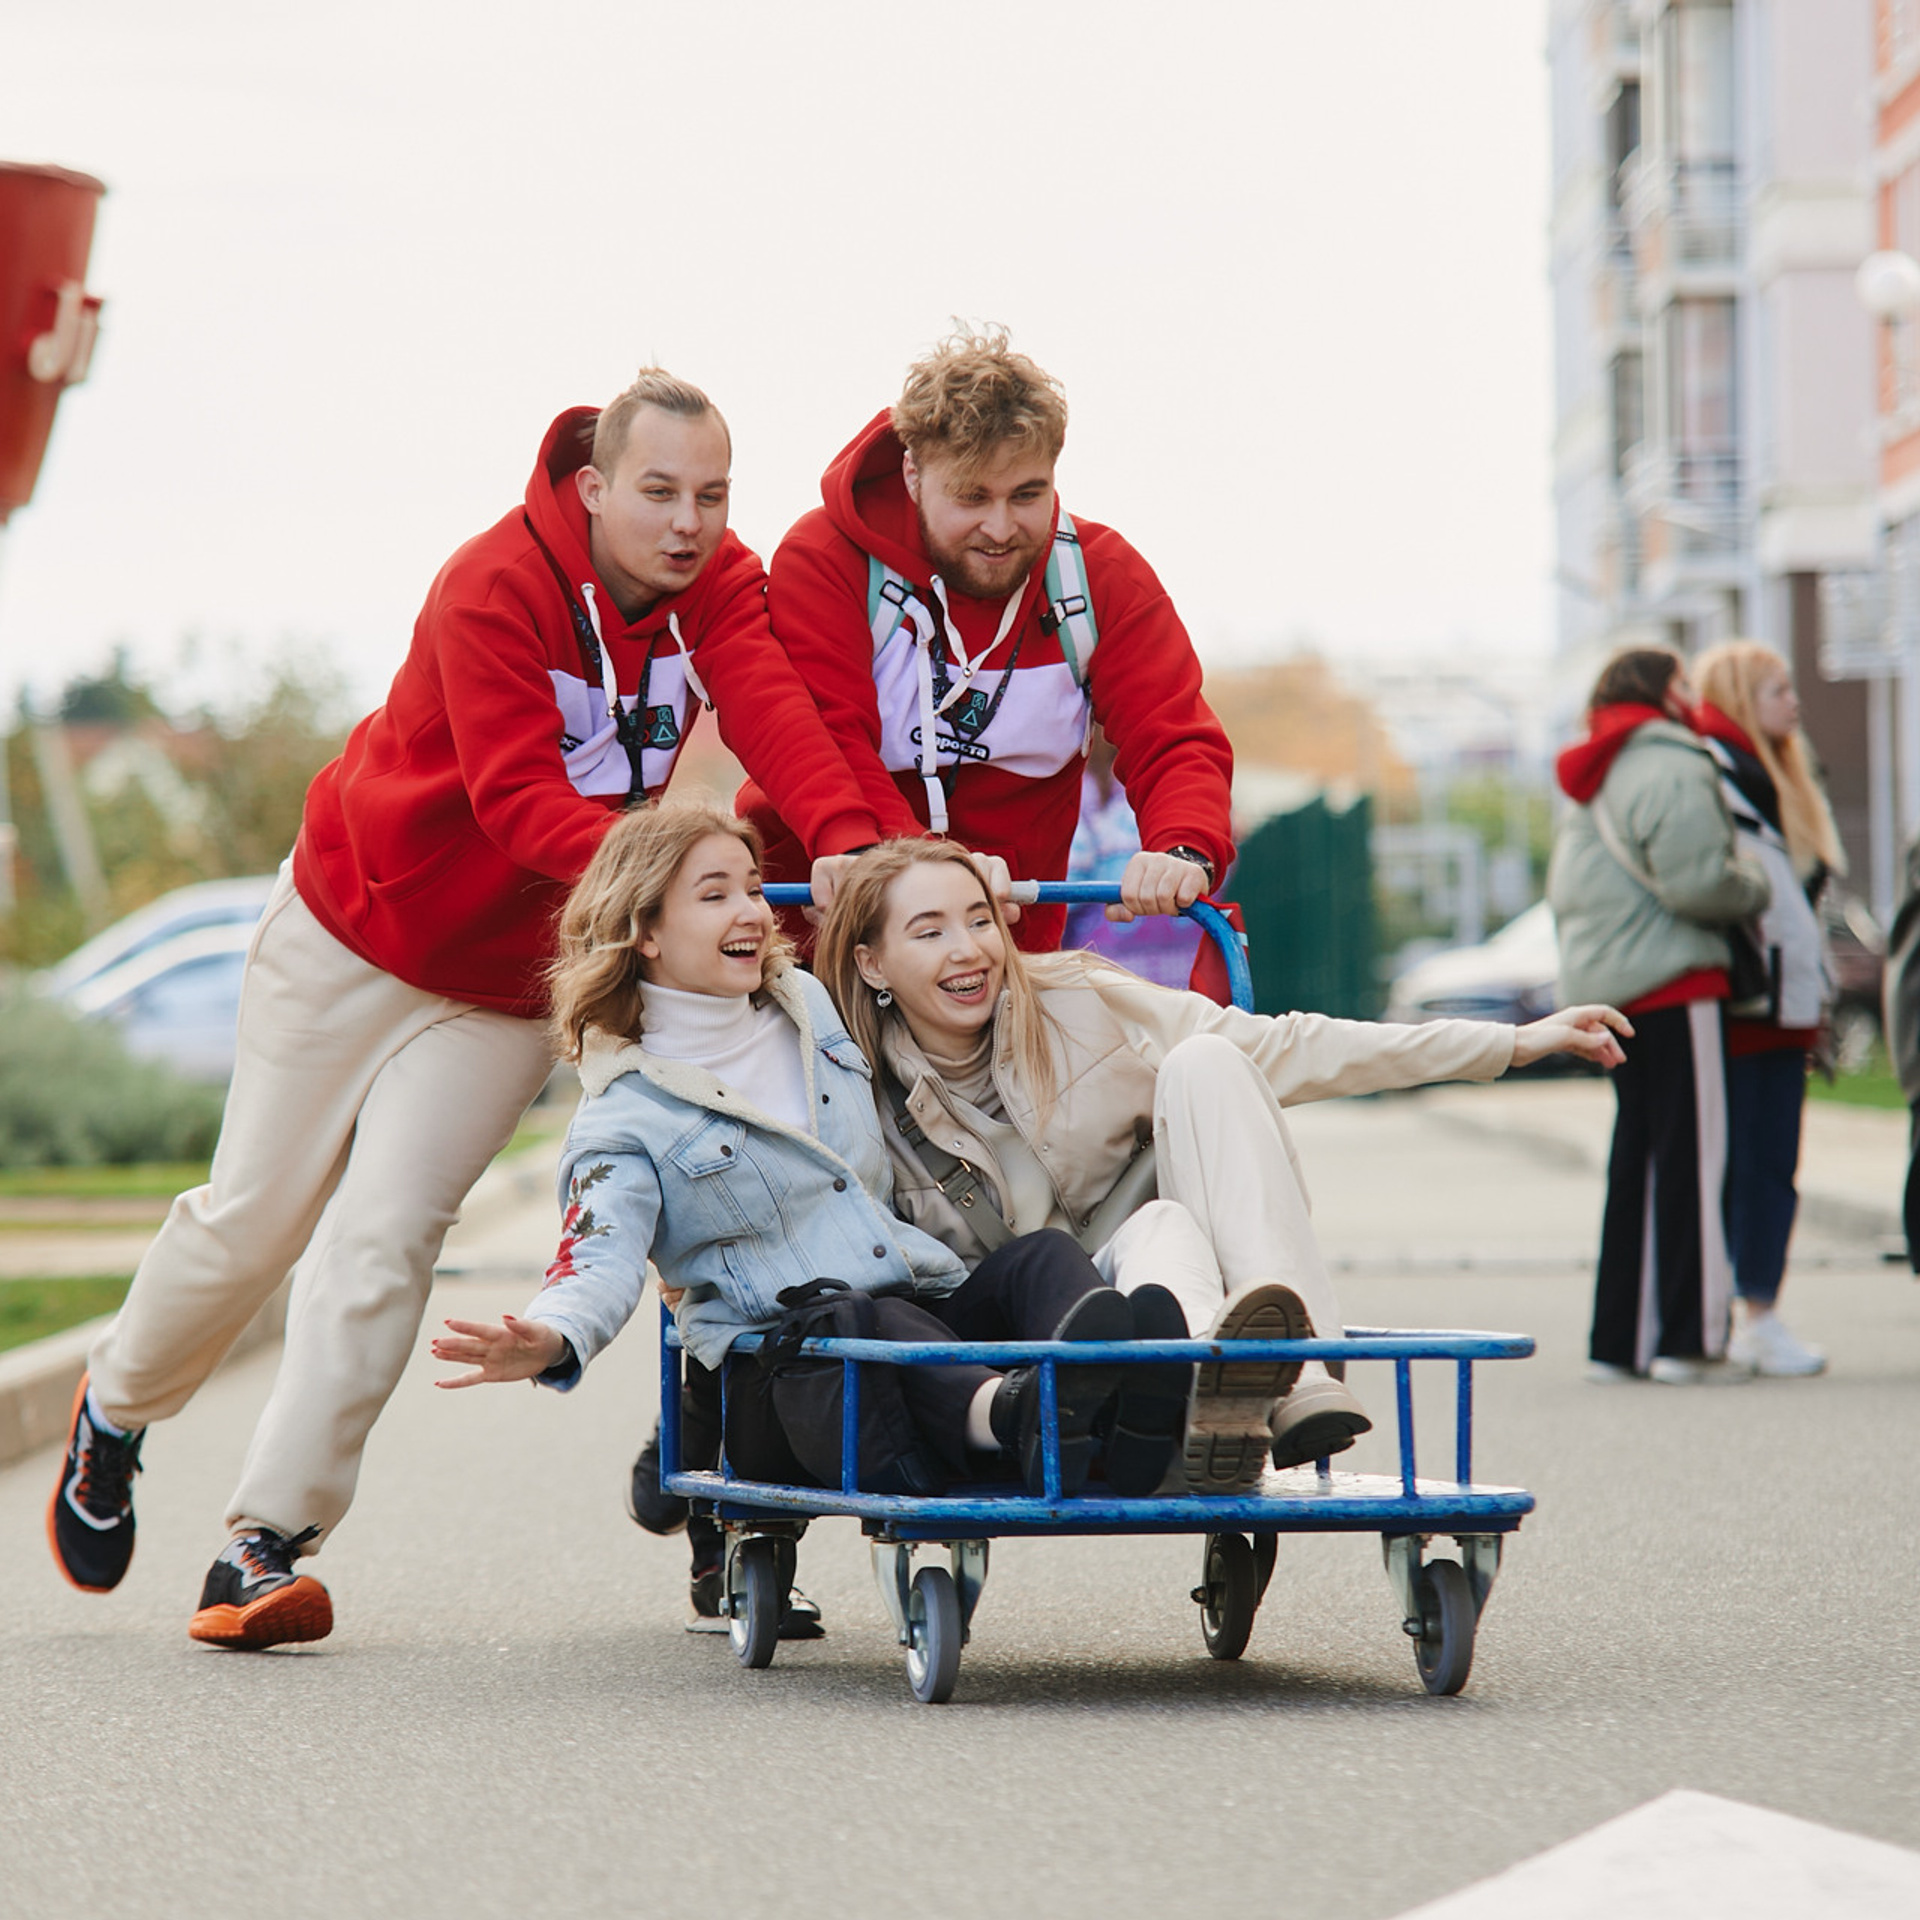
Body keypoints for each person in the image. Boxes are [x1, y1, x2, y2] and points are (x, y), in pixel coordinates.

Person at [47, 370, 888, 1651]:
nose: (689, 522)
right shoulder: (493, 584)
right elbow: (513, 799)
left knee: (384, 1237)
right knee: (253, 1221)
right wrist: (665, 875)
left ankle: (262, 1544)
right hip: (351, 928)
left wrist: (850, 840)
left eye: (713, 495)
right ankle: (114, 1408)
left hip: (503, 987)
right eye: (659, 492)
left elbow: (776, 713)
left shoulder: (719, 587)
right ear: (594, 487)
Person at [431, 800, 1259, 1520]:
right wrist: (555, 1336)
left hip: (919, 1312)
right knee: (854, 1314)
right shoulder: (625, 1114)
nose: (751, 911)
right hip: (794, 1373)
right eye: (715, 895)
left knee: (1037, 1258)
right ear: (643, 930)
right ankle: (1021, 1417)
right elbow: (596, 1255)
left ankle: (1130, 1399)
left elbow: (926, 999)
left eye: (753, 887)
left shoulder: (811, 1006)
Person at [815, 839, 1631, 1488]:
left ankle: (1282, 1378)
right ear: (871, 963)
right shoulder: (842, 1081)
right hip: (1021, 1330)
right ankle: (1230, 1378)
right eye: (930, 932)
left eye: (981, 920)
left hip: (1148, 1281)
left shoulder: (1077, 999)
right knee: (1127, 1231)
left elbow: (1286, 1046)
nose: (969, 950)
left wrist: (1507, 1044)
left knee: (1205, 1070)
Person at [744, 325, 1236, 955]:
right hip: (817, 939)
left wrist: (1183, 845)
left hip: (1005, 951)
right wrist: (939, 873)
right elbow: (826, 740)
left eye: (1027, 495)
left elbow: (1173, 731)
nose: (1000, 528)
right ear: (914, 474)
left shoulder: (1099, 575)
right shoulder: (826, 558)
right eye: (971, 497)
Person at [1548, 646, 1770, 1385]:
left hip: (1611, 987)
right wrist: (1758, 883)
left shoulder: (1594, 768)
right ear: (1659, 691)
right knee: (1693, 1162)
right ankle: (1690, 1340)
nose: (1692, 696)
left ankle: (1623, 1341)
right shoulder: (1671, 761)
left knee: (1639, 1163)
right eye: (1682, 682)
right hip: (1675, 982)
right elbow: (1701, 883)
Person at [1693, 641, 1844, 1377]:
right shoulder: (1716, 773)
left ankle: (1757, 1311)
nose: (1794, 700)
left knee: (1773, 1164)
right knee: (1744, 1165)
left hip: (1784, 1003)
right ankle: (1742, 1315)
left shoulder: (1783, 773)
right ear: (1741, 697)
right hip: (1743, 1002)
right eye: (1778, 689)